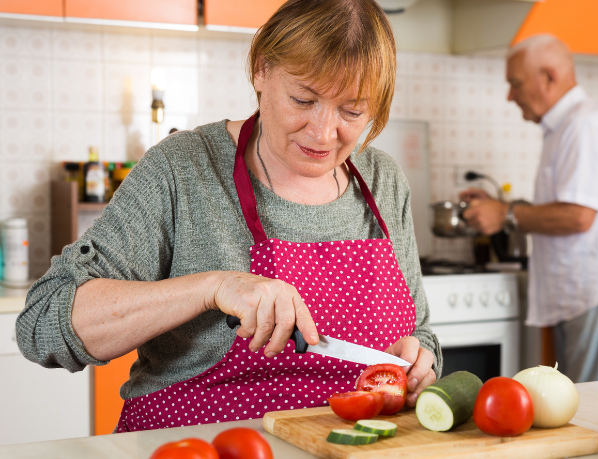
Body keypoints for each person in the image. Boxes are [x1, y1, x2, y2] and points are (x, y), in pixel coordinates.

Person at [17, 0, 440, 432]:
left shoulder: (382, 179)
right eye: (303, 99)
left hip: (346, 445)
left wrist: (416, 362)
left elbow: (422, 335)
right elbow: (43, 325)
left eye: (352, 111)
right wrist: (214, 286)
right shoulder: (183, 169)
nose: (323, 132)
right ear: (261, 69)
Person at [461, 34, 598, 383]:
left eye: (515, 84)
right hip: (580, 297)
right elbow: (569, 208)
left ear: (548, 76)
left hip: (596, 297)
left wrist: (506, 214)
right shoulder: (566, 127)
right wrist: (503, 208)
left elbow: (578, 216)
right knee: (579, 410)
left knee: (592, 414)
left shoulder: (585, 125)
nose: (510, 96)